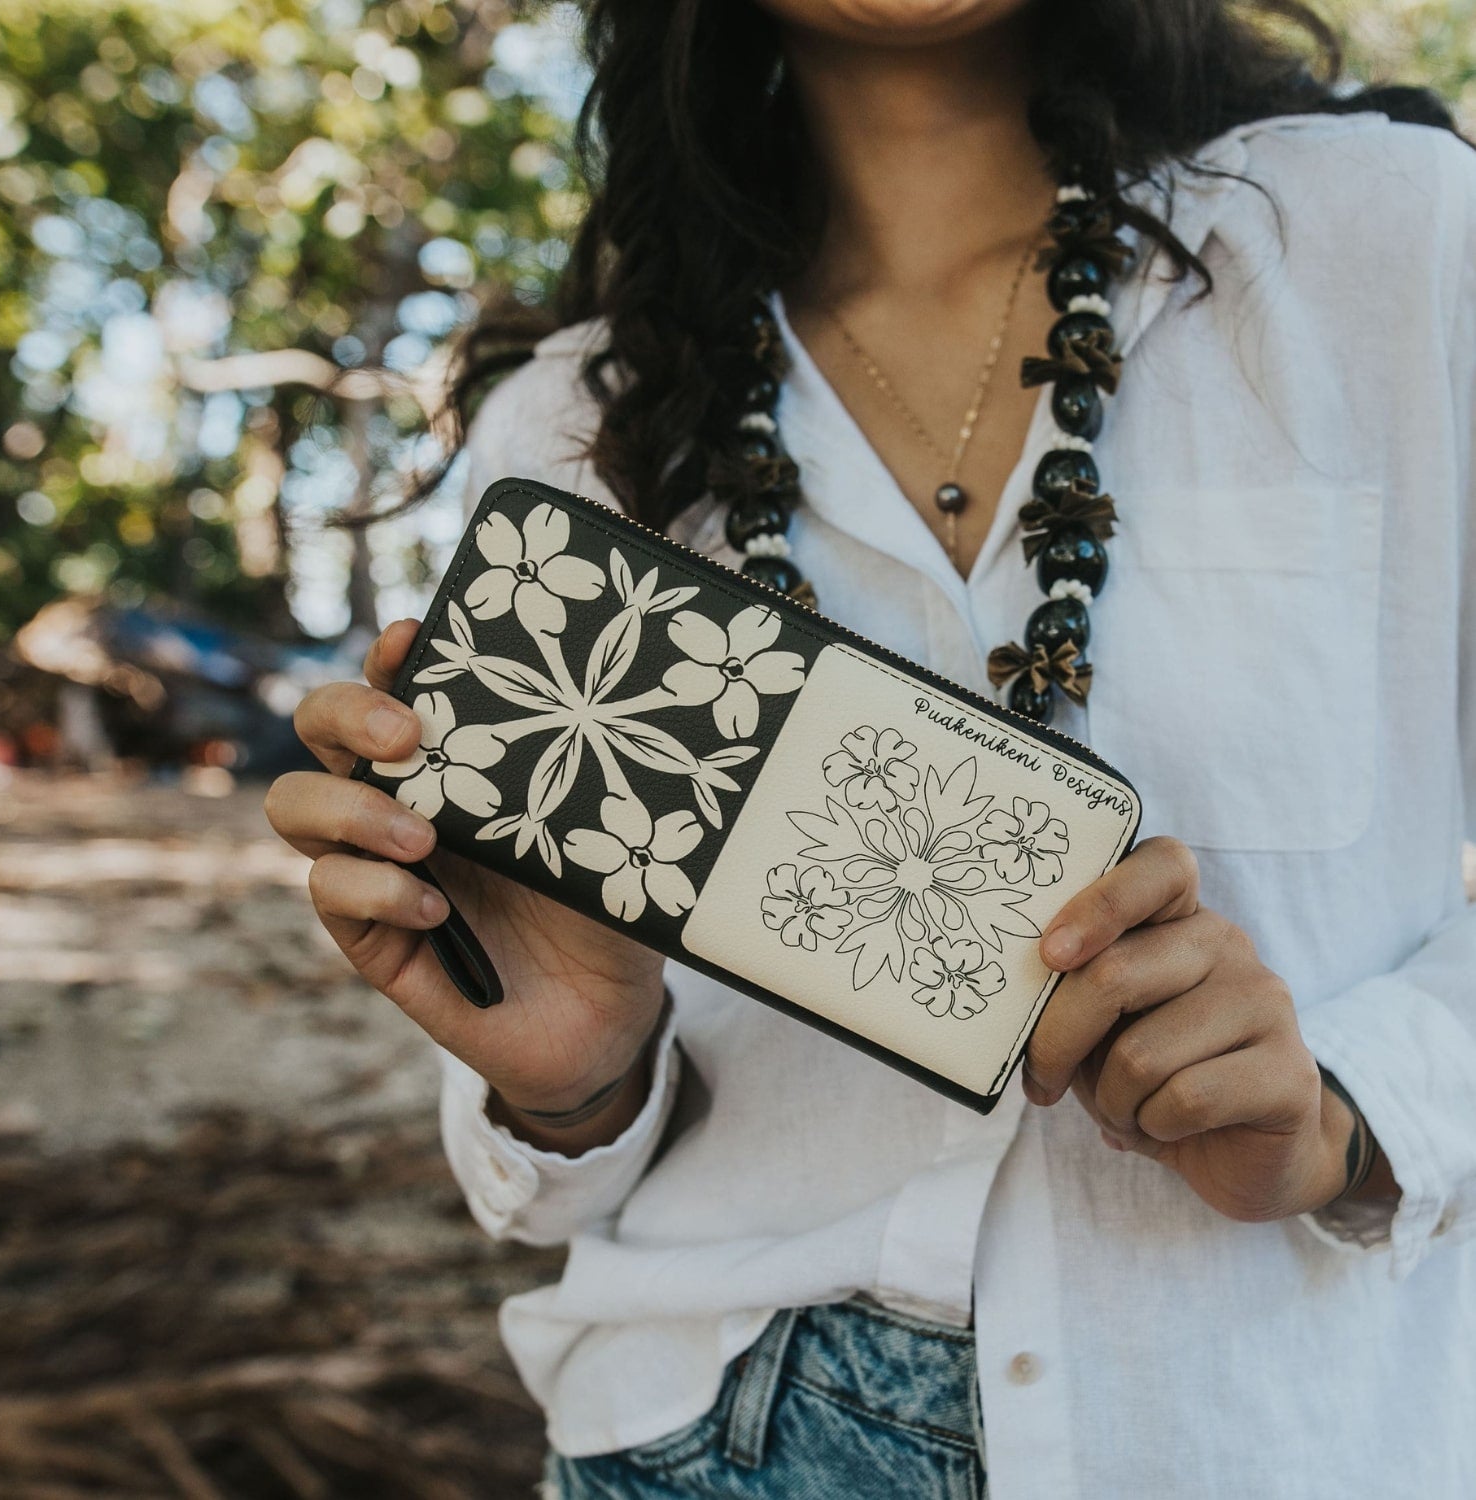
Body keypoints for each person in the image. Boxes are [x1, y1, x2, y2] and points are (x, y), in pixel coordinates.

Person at [265, 1, 1476, 1494]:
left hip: (1275, 1424)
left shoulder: (1395, 242)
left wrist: (1354, 1106)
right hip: (707, 1433)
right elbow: (550, 1177)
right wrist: (577, 1084)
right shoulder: (571, 433)